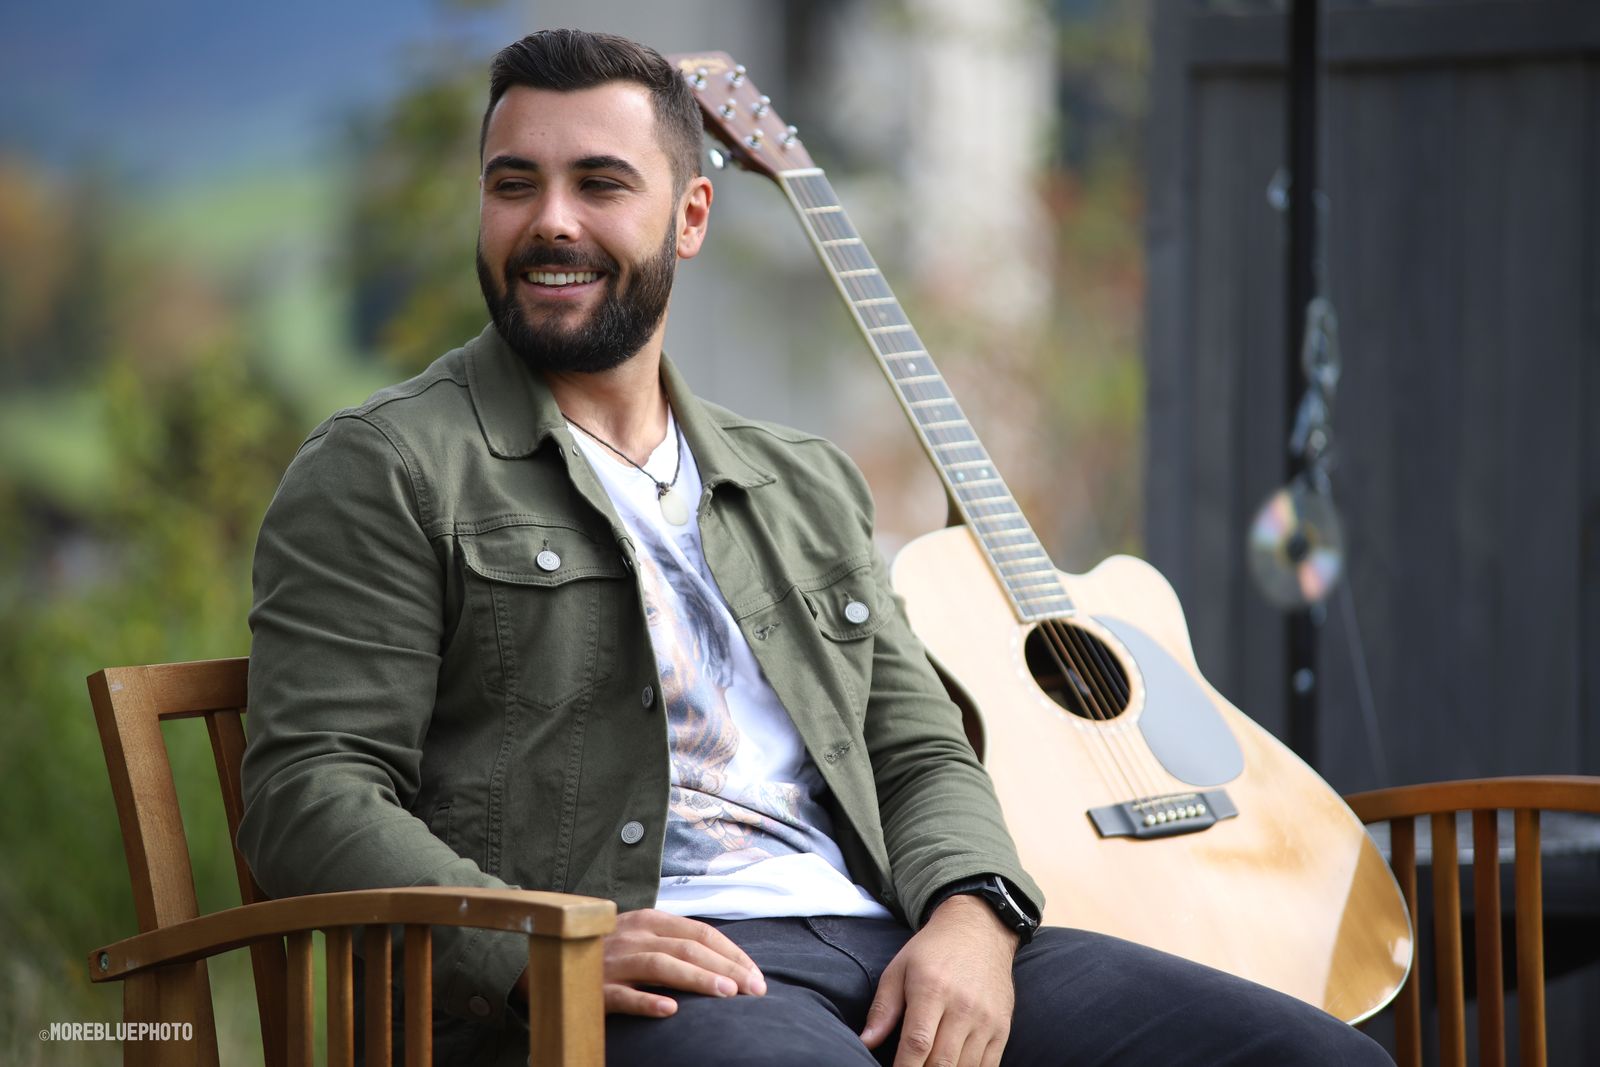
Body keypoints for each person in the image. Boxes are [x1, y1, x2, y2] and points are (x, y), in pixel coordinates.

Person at [238, 29, 1392, 1067]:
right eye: (512, 184)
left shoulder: (799, 480)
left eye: (600, 182)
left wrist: (974, 914)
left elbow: (918, 747)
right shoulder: (387, 467)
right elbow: (308, 789)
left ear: (691, 216)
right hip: (637, 976)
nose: (551, 220)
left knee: (1320, 1056)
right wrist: (543, 947)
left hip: (888, 937)